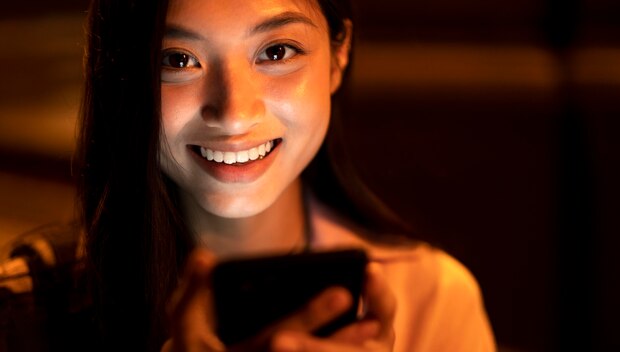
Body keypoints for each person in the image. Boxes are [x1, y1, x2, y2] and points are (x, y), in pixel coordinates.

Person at [5, 0, 495, 351]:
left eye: (277, 52)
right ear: (124, 78)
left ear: (338, 56)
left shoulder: (432, 301)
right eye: (178, 60)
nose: (235, 114)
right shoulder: (26, 311)